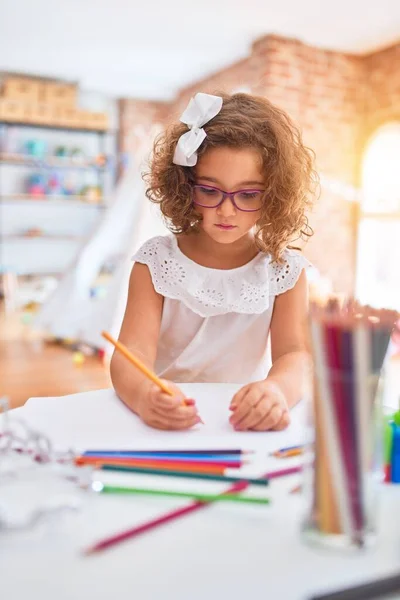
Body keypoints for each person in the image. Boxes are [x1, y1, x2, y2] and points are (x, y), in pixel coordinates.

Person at [110, 92, 317, 432]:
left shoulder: (285, 270)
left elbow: (294, 355)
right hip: (164, 419)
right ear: (184, 187)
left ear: (275, 195)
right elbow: (130, 354)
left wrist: (277, 390)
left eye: (248, 195)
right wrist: (145, 394)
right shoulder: (156, 260)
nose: (226, 210)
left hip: (240, 422)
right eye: (209, 190)